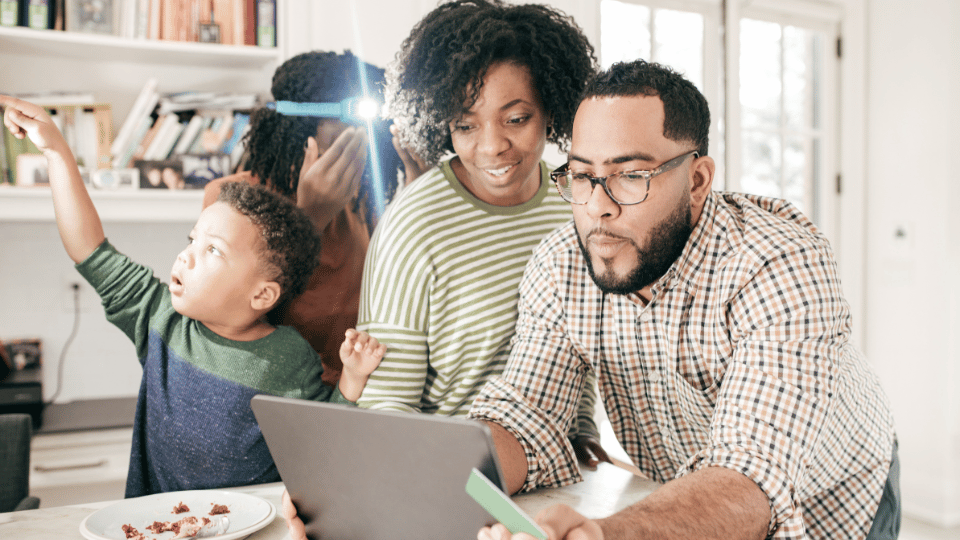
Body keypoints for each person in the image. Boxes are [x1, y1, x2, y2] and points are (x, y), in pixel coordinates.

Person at [469, 59, 899, 540]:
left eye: (631, 175)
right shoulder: (560, 265)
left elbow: (749, 480)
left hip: (836, 499)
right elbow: (528, 414)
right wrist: (455, 476)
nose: (597, 206)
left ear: (697, 181)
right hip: (696, 499)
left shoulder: (776, 263)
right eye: (583, 175)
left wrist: (603, 536)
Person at [281, 1, 605, 537]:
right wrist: (432, 493)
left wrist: (584, 427)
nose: (492, 146)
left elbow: (579, 338)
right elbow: (390, 405)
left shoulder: (573, 202)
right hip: (446, 492)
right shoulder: (416, 223)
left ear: (553, 106)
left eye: (517, 118)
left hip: (553, 478)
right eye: (465, 124)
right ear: (439, 122)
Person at [0, 95, 387, 498]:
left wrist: (353, 380)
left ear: (262, 294)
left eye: (212, 250)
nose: (185, 255)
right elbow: (88, 248)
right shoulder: (160, 318)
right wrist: (57, 151)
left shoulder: (290, 357)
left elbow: (323, 434)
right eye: (191, 239)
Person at [203, 50, 409, 387]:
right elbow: (229, 327)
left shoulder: (360, 205)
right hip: (273, 393)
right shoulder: (229, 200)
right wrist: (310, 218)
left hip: (347, 393)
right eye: (345, 134)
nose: (361, 145)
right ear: (300, 131)